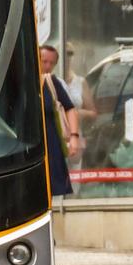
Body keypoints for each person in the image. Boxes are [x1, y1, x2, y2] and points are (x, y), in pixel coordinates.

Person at [40, 43, 80, 199]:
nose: (48, 66)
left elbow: (70, 108)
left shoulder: (51, 82)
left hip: (51, 143)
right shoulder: (24, 80)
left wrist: (74, 137)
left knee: (49, 190)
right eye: (44, 61)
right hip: (29, 145)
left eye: (52, 63)